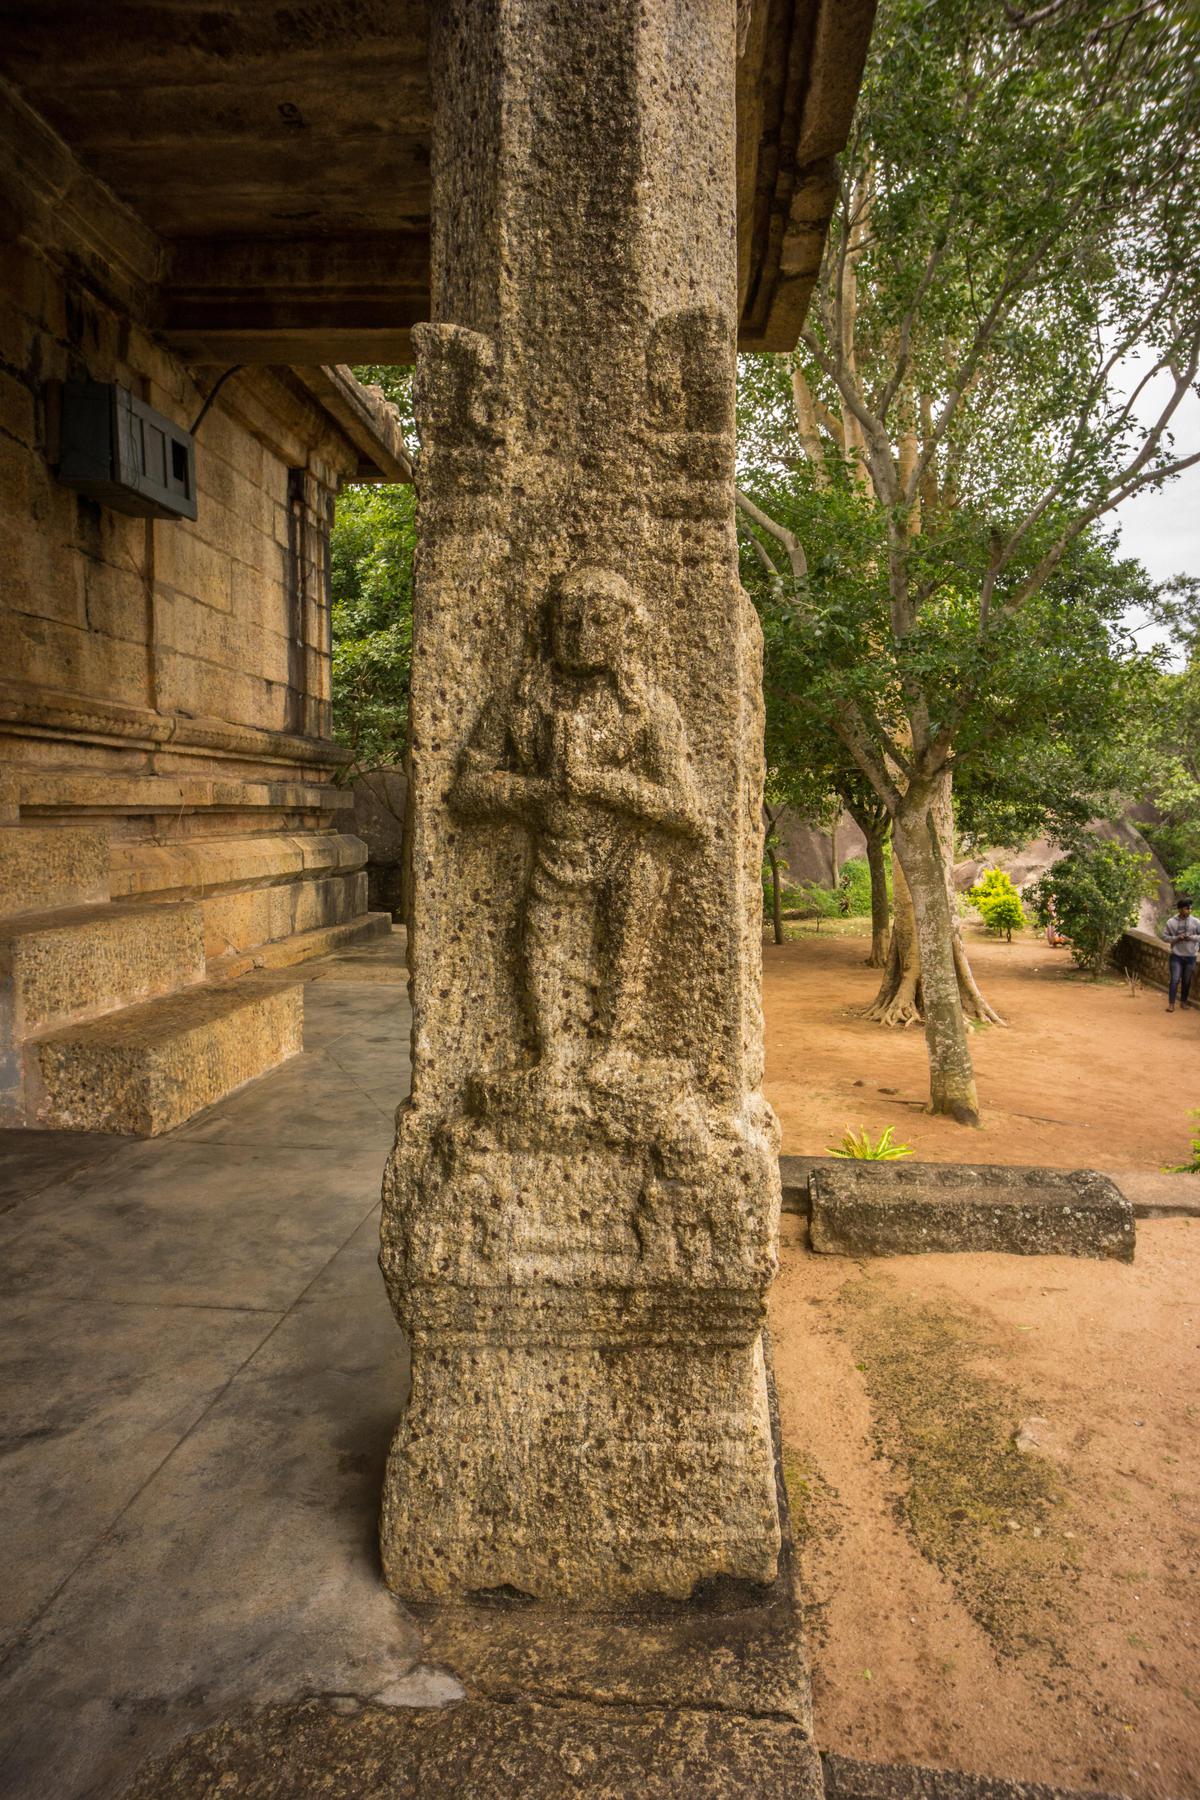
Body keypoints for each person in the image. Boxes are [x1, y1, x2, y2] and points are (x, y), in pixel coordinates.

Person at [1163, 894, 1200, 1012]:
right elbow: (1164, 936)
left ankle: (1183, 1002)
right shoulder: (1171, 922)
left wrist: (1192, 937)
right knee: (1174, 979)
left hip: (1191, 956)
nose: (1189, 910)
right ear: (1180, 909)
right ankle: (1171, 1004)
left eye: (1190, 908)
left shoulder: (1196, 922)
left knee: (1187, 981)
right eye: (1187, 908)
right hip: (1176, 956)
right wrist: (1177, 938)